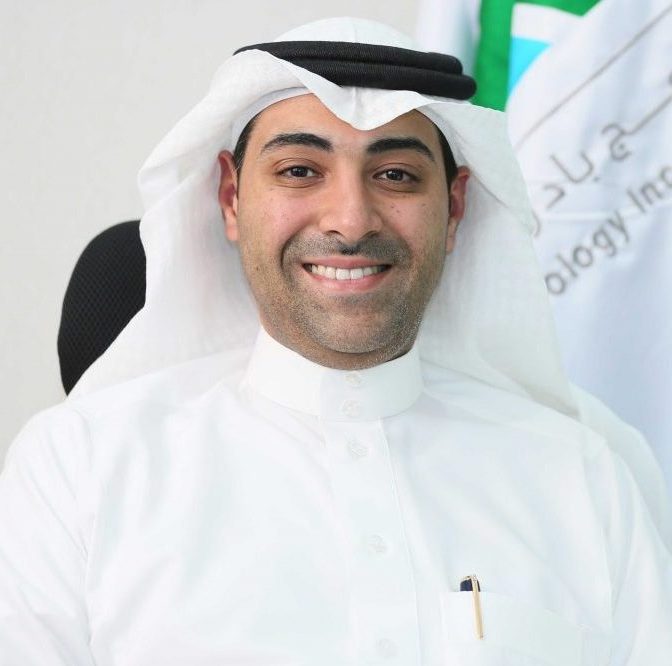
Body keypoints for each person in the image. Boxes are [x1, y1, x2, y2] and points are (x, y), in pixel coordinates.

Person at [0, 17, 670, 665]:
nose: (351, 220)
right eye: (300, 170)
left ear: (455, 207)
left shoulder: (583, 479)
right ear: (231, 198)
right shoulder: (81, 469)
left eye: (396, 174)